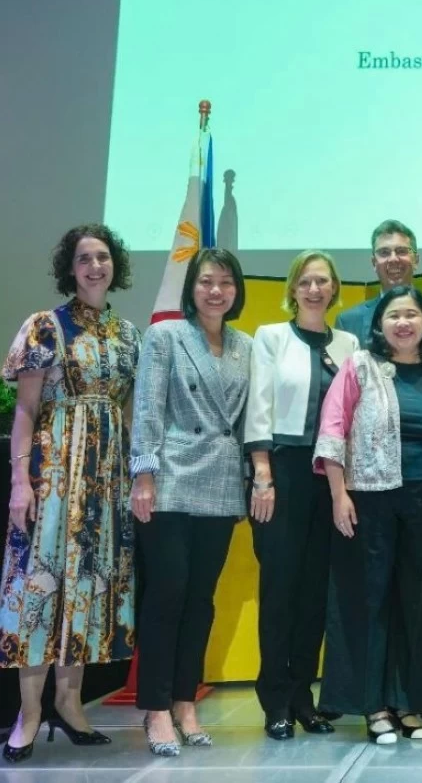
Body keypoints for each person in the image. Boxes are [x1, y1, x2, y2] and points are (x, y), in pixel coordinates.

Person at [0, 225, 140, 763]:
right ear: (71, 268)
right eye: (84, 258)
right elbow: (25, 412)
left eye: (103, 257)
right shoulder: (45, 327)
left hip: (105, 485)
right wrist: (19, 482)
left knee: (85, 591)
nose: (95, 266)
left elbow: (127, 412)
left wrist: (134, 478)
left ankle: (70, 702)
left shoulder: (127, 335)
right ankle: (29, 713)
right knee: (40, 592)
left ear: (114, 266)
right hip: (53, 480)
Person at [315, 285, 422, 745]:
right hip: (368, 499)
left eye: (412, 315)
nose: (403, 322)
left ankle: (408, 703)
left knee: (414, 606)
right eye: (394, 315)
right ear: (379, 324)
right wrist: (339, 494)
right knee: (369, 602)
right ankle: (373, 706)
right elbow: (333, 428)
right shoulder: (360, 366)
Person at [130, 248, 253, 757]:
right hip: (172, 479)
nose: (216, 291)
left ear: (236, 290)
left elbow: (248, 420)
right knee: (167, 595)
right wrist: (143, 473)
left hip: (222, 483)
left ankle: (185, 702)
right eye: (206, 281)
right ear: (192, 288)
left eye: (225, 282)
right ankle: (155, 708)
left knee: (201, 600)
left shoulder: (246, 345)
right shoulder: (165, 336)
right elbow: (148, 405)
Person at [243, 251, 358, 740]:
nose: (315, 289)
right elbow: (259, 405)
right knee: (280, 591)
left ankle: (302, 697)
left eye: (323, 282)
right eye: (306, 282)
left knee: (315, 596)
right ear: (293, 289)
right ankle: (275, 700)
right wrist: (262, 473)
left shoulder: (350, 342)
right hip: (283, 471)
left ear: (334, 290)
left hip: (330, 475)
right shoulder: (271, 336)